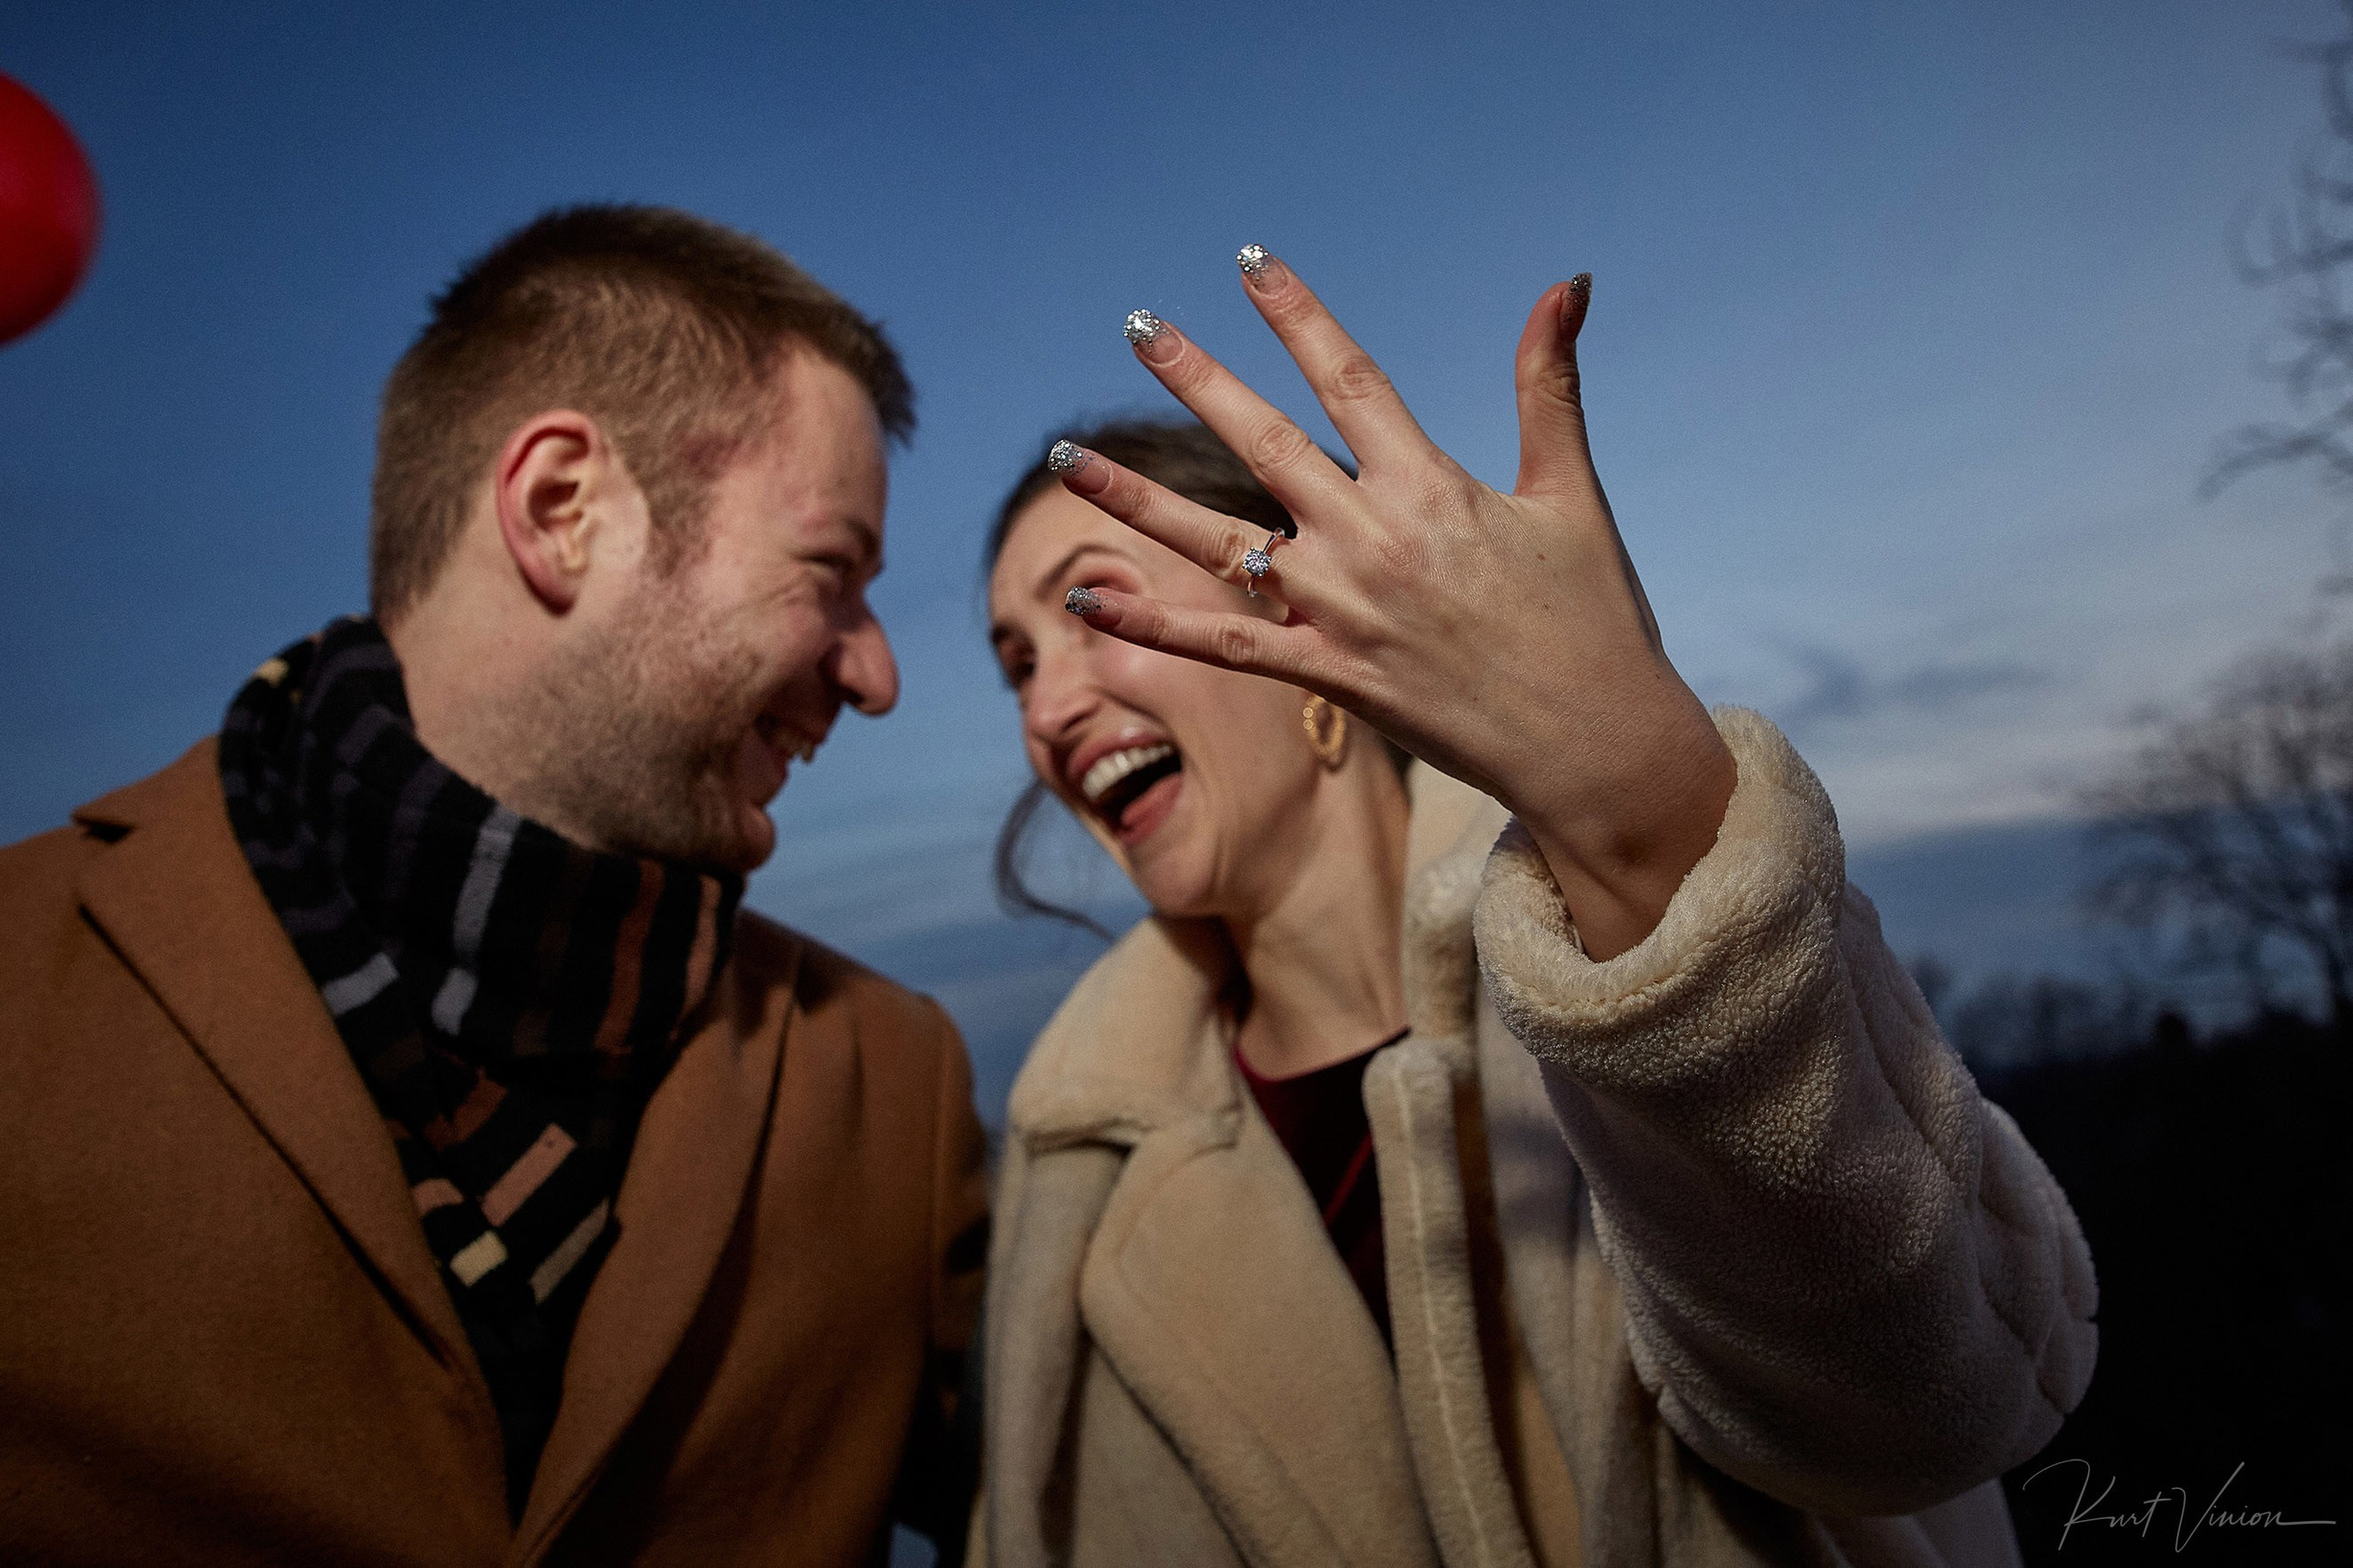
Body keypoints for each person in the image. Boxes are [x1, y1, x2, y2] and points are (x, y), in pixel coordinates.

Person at [977, 253, 2097, 1566]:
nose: (1046, 712)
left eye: (1091, 607)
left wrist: (1641, 815)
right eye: (1016, 665)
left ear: (1295, 609)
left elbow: (1941, 1404)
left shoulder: (1611, 943)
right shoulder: (1073, 1167)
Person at [0, 205, 987, 1566]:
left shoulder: (898, 1081)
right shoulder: (17, 977)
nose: (876, 675)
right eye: (833, 573)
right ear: (560, 510)